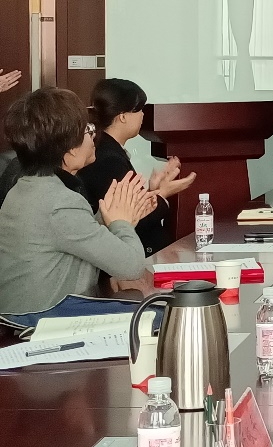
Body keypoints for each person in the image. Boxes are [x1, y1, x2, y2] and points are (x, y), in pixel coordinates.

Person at [0, 87, 151, 313]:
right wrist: (122, 223)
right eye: (88, 129)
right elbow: (132, 267)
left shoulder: (26, 188)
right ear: (70, 149)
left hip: (20, 318)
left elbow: (69, 234)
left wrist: (109, 216)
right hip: (44, 324)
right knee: (152, 307)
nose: (93, 136)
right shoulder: (59, 202)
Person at [78, 79, 196, 256]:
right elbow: (132, 220)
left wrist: (153, 191)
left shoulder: (108, 150)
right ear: (123, 116)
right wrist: (162, 194)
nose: (142, 115)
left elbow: (130, 205)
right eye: (139, 109)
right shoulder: (109, 159)